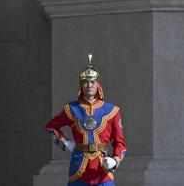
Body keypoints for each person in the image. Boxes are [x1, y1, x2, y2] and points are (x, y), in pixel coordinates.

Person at [44, 54, 128, 184]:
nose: (89, 85)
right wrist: (65, 144)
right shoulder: (71, 108)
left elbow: (120, 143)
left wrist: (115, 160)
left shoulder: (112, 111)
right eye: (85, 82)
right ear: (81, 85)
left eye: (92, 82)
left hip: (103, 169)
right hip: (79, 167)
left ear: (98, 85)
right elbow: (51, 127)